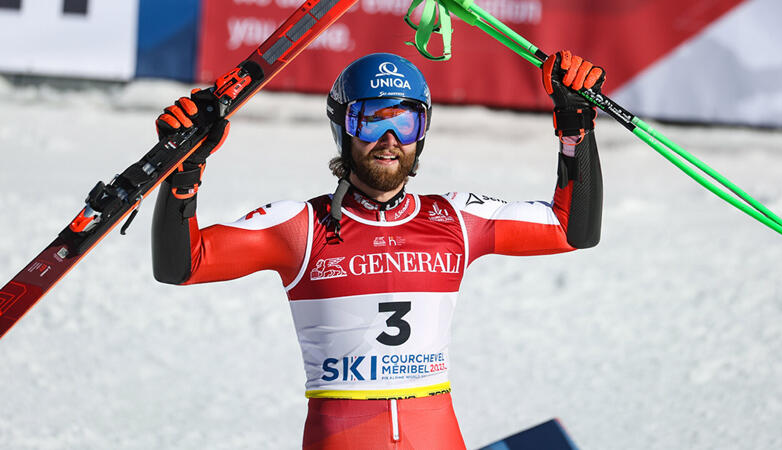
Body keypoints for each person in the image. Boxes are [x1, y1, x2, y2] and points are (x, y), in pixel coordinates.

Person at [151, 50, 605, 449]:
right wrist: (183, 174)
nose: (390, 139)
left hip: (435, 433)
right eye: (371, 119)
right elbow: (181, 265)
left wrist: (575, 129)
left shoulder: (456, 218)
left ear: (420, 132)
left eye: (405, 121)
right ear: (343, 129)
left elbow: (572, 231)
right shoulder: (299, 226)